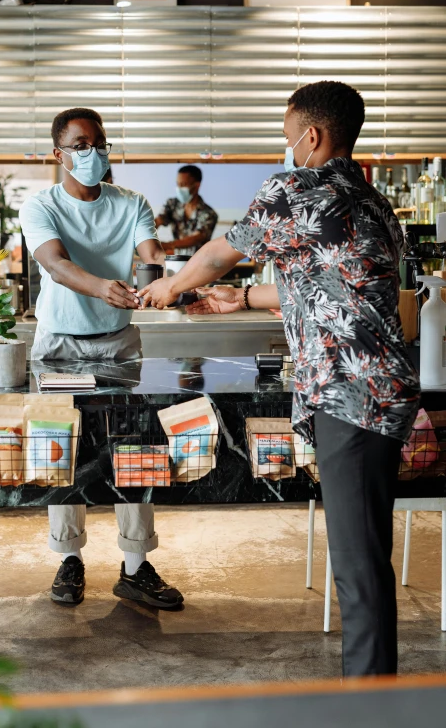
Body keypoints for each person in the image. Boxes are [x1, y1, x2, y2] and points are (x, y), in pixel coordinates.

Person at [139, 80, 421, 676]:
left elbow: (218, 252)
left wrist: (170, 285)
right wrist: (241, 297)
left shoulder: (295, 189)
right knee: (364, 547)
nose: (285, 147)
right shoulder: (370, 202)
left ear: (311, 137)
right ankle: (375, 689)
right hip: (380, 392)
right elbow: (328, 285)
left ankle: (373, 702)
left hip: (350, 395)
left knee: (357, 558)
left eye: (288, 135)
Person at [19, 107, 183, 610]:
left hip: (116, 345)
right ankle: (69, 559)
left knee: (134, 452)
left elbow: (151, 253)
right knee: (62, 454)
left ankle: (135, 566)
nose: (93, 153)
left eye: (100, 143)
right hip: (60, 347)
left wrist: (182, 274)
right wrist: (101, 286)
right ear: (60, 153)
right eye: (81, 144)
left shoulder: (131, 201)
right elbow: (55, 263)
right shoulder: (39, 205)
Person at [155, 165, 218, 256]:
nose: (179, 188)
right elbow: (159, 220)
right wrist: (146, 235)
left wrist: (167, 245)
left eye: (183, 185)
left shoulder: (209, 214)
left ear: (196, 186)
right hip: (175, 259)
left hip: (199, 262)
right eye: (178, 184)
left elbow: (196, 238)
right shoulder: (172, 204)